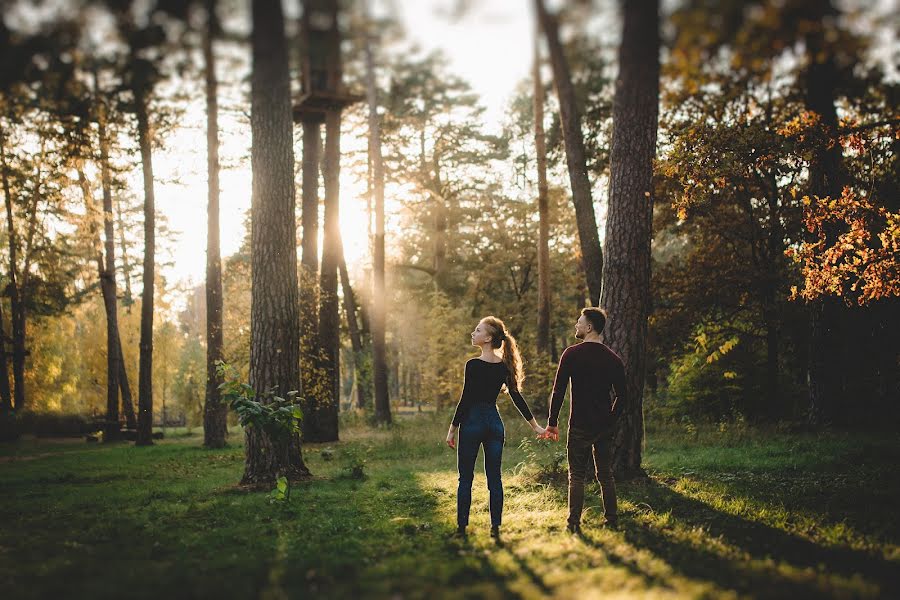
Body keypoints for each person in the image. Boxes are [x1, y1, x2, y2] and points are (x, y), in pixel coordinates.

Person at [446, 316, 546, 539]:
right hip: (494, 424)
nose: (473, 333)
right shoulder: (504, 367)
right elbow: (517, 397)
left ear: (488, 338)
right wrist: (536, 426)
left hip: (472, 423)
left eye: (477, 330)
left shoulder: (472, 365)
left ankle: (462, 530)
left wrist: (453, 428)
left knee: (465, 478)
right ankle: (495, 529)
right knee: (495, 478)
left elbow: (466, 398)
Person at [542, 307, 626, 533]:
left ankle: (573, 524)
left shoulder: (571, 354)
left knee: (577, 476)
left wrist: (552, 422)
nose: (576, 325)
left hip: (579, 424)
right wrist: (611, 420)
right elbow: (623, 395)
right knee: (605, 475)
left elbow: (558, 391)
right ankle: (612, 521)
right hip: (604, 426)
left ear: (589, 327)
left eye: (579, 322)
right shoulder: (613, 359)